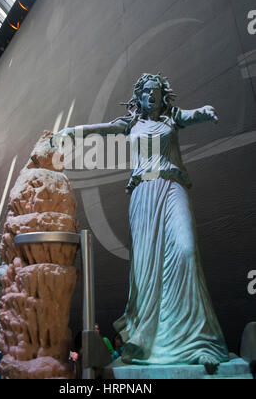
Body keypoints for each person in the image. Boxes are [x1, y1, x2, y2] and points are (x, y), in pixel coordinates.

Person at [50, 72, 229, 374]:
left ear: (163, 94)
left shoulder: (172, 118)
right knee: (147, 270)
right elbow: (99, 130)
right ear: (139, 96)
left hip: (172, 187)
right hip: (143, 195)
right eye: (146, 92)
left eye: (156, 91)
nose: (152, 96)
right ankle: (150, 340)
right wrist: (70, 131)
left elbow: (190, 115)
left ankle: (197, 342)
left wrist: (203, 113)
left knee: (185, 251)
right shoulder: (130, 124)